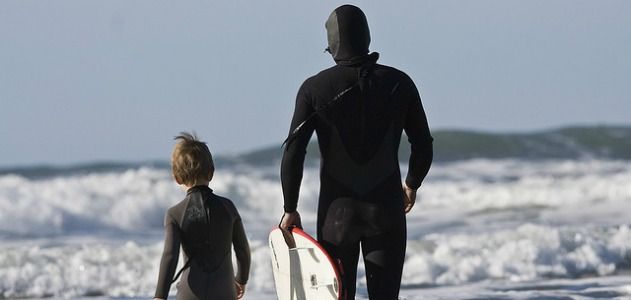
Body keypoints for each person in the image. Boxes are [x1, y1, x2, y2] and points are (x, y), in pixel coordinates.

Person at [279, 5, 433, 299]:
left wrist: (290, 207)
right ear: (366, 36)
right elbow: (423, 144)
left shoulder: (313, 88)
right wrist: (412, 184)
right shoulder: (400, 83)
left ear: (333, 44)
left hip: (336, 216)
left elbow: (293, 152)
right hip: (386, 210)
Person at [154, 133, 250, 300]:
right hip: (224, 294)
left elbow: (170, 256)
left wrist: (160, 296)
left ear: (177, 178)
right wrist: (241, 280)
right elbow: (242, 251)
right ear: (211, 173)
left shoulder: (174, 214)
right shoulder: (228, 207)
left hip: (189, 295)